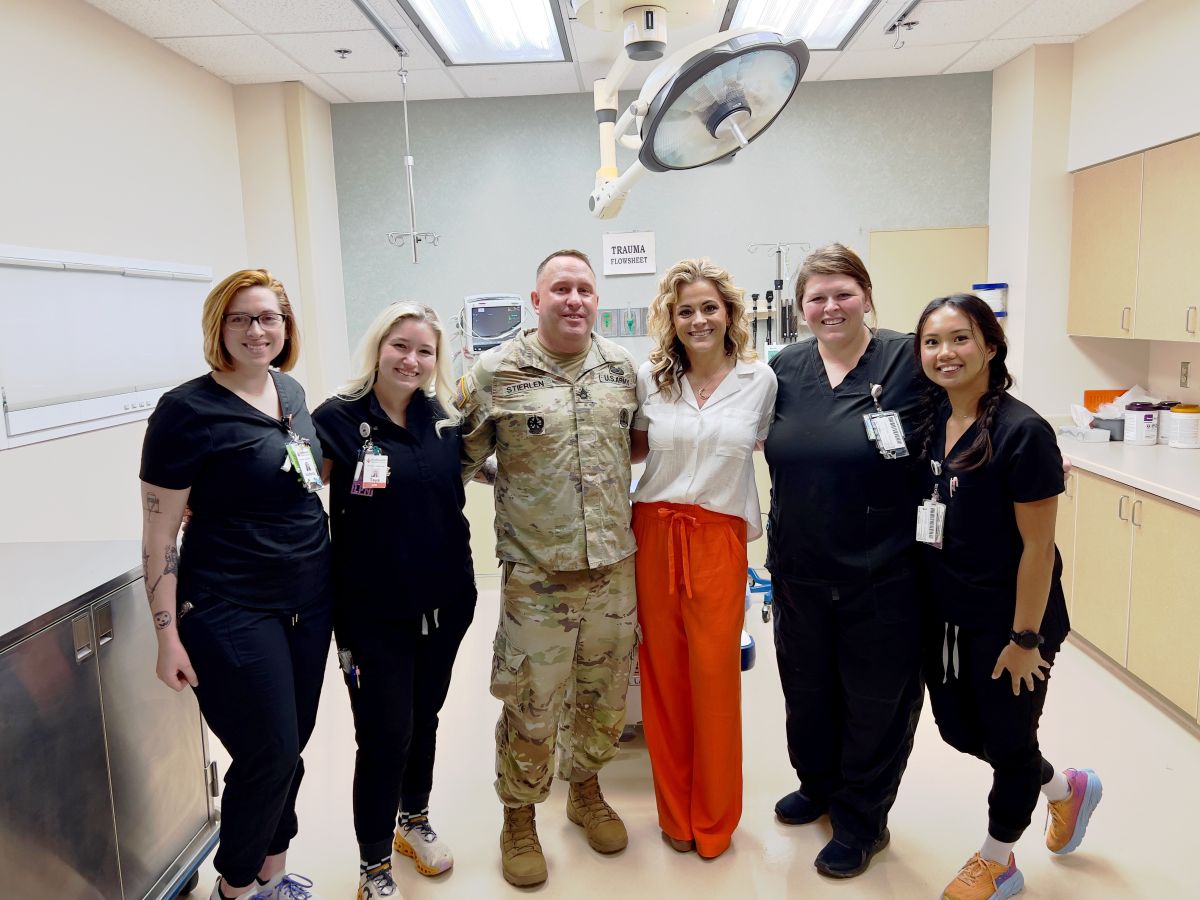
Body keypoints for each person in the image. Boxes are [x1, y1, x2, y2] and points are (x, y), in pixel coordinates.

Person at [139, 269, 331, 900]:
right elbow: (161, 537)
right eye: (242, 318)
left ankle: (273, 873)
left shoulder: (292, 392)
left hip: (305, 602)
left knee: (291, 747)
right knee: (269, 751)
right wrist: (167, 636)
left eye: (269, 317)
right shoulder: (185, 411)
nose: (257, 330)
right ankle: (237, 887)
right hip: (227, 604)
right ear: (218, 327)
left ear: (286, 327)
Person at [456, 249, 639, 888]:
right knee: (532, 701)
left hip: (614, 571)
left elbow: (634, 445)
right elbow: (462, 458)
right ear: (536, 300)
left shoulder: (621, 368)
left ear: (597, 299)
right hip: (538, 577)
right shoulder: (495, 372)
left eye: (584, 289)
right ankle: (519, 816)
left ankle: (585, 790)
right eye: (560, 288)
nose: (573, 299)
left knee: (604, 697)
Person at [912, 294, 1102, 900]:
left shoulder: (1024, 432)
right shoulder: (929, 420)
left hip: (1013, 619)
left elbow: (1037, 550)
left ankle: (998, 861)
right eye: (933, 342)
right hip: (949, 614)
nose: (946, 353)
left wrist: (1026, 640)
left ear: (991, 346)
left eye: (961, 338)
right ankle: (1066, 791)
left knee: (1011, 742)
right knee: (964, 734)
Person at [764, 243, 925, 878]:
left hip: (883, 572)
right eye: (816, 297)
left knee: (875, 701)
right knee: (806, 694)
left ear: (865, 294)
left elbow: (971, 408)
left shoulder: (908, 358)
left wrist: (1026, 450)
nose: (830, 307)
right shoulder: (784, 367)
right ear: (800, 307)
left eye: (843, 293)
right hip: (800, 567)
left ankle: (863, 820)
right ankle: (821, 785)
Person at [312, 303, 476, 900]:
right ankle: (373, 865)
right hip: (371, 610)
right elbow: (293, 490)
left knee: (424, 717)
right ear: (377, 348)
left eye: (424, 351)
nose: (412, 360)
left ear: (438, 359)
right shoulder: (337, 419)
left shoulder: (444, 418)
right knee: (385, 731)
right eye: (400, 347)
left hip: (446, 600)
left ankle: (414, 820)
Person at [629, 259, 776, 859]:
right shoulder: (650, 379)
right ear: (671, 318)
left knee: (715, 679)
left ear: (729, 313)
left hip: (718, 538)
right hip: (654, 533)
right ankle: (675, 812)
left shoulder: (759, 380)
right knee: (663, 680)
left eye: (709, 307)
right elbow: (630, 447)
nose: (698, 319)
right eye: (685, 309)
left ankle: (714, 818)